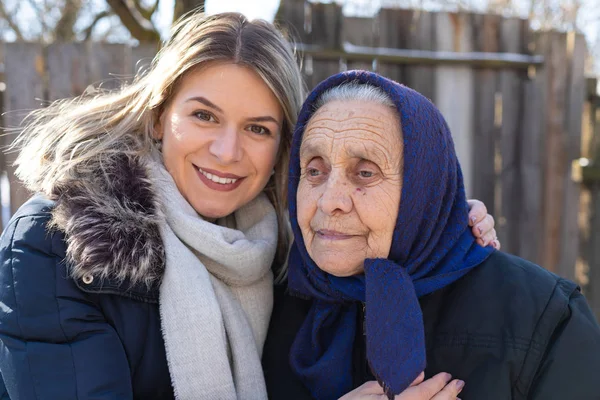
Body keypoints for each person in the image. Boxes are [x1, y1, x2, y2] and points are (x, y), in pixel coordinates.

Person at [0, 13, 498, 400]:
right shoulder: (58, 246)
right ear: (157, 118)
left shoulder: (283, 255)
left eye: (258, 128)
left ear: (285, 147)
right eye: (203, 116)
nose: (227, 151)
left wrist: (443, 224)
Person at [262, 70, 600, 400]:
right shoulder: (266, 306)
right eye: (315, 170)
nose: (329, 200)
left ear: (423, 190)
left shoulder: (542, 314)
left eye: (365, 172)